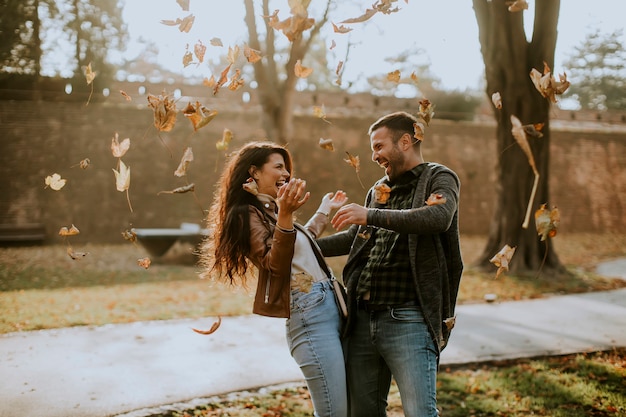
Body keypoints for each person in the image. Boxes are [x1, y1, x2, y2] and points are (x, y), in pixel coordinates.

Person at [316, 111, 463, 417]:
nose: (374, 155)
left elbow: (438, 217)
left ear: (406, 141)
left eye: (380, 146)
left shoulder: (439, 177)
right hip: (361, 319)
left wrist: (370, 215)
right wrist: (302, 246)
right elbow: (353, 239)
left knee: (420, 412)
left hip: (408, 317)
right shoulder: (377, 191)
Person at [199, 141, 349, 417]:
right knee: (334, 413)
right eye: (278, 167)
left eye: (287, 168)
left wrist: (324, 210)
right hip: (309, 315)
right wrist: (286, 214)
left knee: (347, 408)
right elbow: (274, 264)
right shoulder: (245, 214)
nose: (286, 173)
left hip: (334, 306)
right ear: (254, 172)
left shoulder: (272, 210)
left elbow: (302, 244)